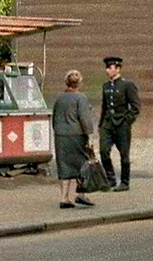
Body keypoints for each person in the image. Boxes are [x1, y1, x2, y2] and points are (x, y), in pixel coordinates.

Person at [52, 69, 95, 209]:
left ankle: (64, 198)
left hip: (61, 136)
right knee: (81, 164)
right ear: (79, 83)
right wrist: (90, 135)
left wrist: (58, 131)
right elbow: (85, 119)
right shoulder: (81, 98)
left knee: (64, 166)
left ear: (66, 82)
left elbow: (55, 118)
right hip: (77, 135)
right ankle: (81, 195)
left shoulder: (59, 98)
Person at [99, 56, 140, 191]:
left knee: (124, 154)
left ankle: (125, 182)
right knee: (103, 151)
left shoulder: (127, 85)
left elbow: (135, 107)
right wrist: (101, 125)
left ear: (117, 69)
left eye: (110, 68)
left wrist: (127, 121)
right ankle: (110, 179)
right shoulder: (105, 86)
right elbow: (104, 107)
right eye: (107, 68)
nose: (107, 71)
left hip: (122, 124)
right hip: (108, 123)